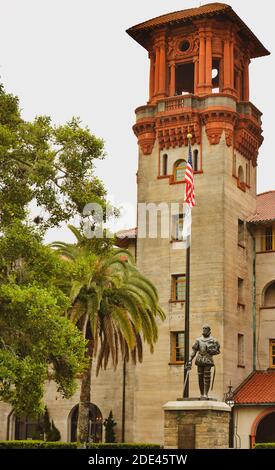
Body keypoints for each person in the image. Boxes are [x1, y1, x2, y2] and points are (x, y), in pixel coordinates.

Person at [185, 324, 220, 399]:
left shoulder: (213, 340)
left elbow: (217, 351)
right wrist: (190, 359)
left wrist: (212, 351)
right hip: (200, 359)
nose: (204, 330)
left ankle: (205, 394)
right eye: (203, 328)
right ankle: (201, 393)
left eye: (206, 328)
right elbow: (194, 350)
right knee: (200, 376)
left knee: (207, 376)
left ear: (209, 331)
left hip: (208, 359)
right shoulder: (198, 340)